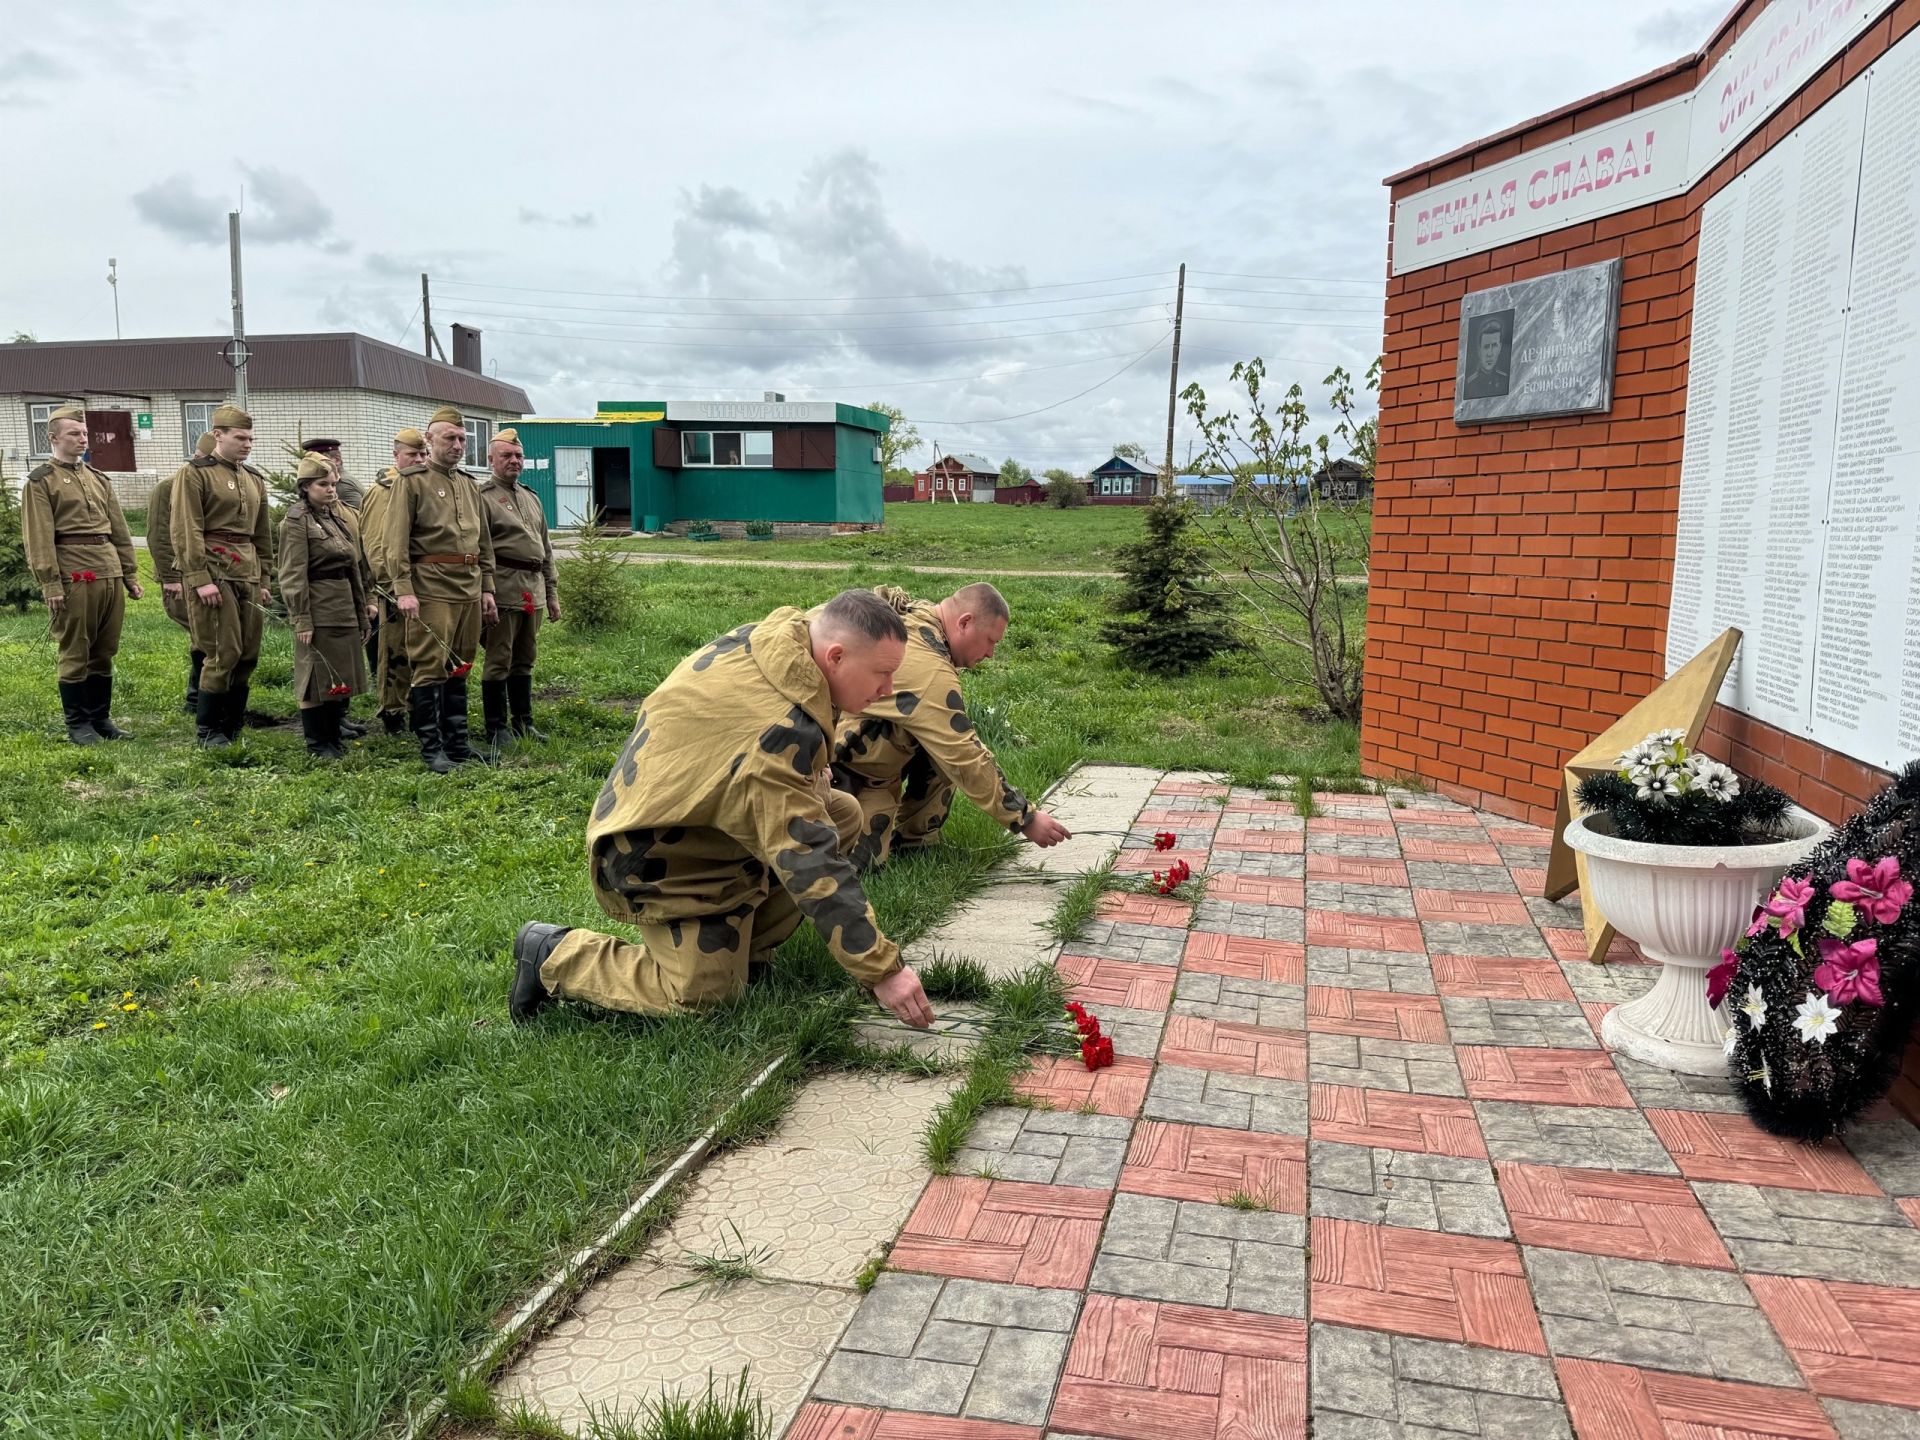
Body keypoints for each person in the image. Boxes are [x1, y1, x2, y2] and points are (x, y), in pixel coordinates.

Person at [508, 589, 935, 1030]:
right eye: (882, 674)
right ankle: (554, 953)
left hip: (700, 818)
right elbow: (812, 865)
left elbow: (844, 612)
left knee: (840, 813)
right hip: (654, 854)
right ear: (837, 657)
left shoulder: (789, 636)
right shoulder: (780, 737)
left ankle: (744, 952)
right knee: (704, 999)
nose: (888, 689)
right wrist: (885, 971)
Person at [832, 583, 1070, 866]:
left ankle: (916, 842)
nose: (991, 654)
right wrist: (1025, 818)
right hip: (844, 773)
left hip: (875, 760)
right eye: (990, 641)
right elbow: (965, 755)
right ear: (965, 623)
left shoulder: (923, 619)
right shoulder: (929, 670)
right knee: (863, 863)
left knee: (942, 741)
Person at [19, 403, 143, 744]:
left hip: (108, 570)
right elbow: (39, 537)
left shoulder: (98, 478)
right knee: (76, 648)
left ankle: (100, 718)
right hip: (73, 572)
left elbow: (118, 529)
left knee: (105, 648)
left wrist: (129, 574)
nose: (82, 439)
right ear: (53, 437)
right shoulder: (41, 481)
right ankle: (78, 725)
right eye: (74, 433)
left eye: (85, 433)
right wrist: (50, 582)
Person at [384, 406, 497, 772]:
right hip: (431, 587)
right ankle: (433, 749)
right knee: (430, 666)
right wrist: (403, 588)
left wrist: (487, 588)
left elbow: (484, 543)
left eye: (463, 439)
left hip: (468, 586)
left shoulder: (468, 484)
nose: (458, 445)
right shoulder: (412, 481)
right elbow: (395, 541)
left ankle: (458, 744)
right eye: (450, 438)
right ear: (429, 440)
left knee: (460, 666)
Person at [169, 404, 273, 747]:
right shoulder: (196, 473)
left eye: (250, 438)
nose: (247, 444)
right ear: (218, 435)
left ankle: (232, 723)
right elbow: (186, 528)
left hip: (248, 571)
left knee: (248, 653)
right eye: (240, 437)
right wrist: (199, 578)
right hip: (214, 569)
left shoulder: (253, 478)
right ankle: (209, 730)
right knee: (222, 651)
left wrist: (265, 579)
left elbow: (262, 535)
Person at [278, 454, 375, 759]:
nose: (331, 490)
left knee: (338, 673)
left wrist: (362, 612)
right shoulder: (296, 521)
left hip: (343, 604)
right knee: (314, 675)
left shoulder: (335, 518)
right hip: (317, 605)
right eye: (323, 484)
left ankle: (333, 736)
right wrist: (302, 618)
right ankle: (318, 743)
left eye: (333, 484)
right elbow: (293, 573)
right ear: (305, 487)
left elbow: (355, 568)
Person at [476, 428, 561, 747]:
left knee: (525, 657)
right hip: (504, 588)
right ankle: (496, 728)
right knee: (500, 657)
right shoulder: (482, 497)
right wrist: (486, 591)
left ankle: (523, 722)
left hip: (533, 588)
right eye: (506, 456)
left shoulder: (531, 496)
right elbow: (482, 549)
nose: (514, 461)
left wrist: (551, 594)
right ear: (491, 460)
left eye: (518, 456)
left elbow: (546, 548)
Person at [359, 427, 428, 734]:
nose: (419, 459)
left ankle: (417, 706)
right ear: (396, 455)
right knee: (395, 651)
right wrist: (390, 585)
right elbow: (376, 543)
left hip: (426, 585)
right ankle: (392, 711)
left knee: (420, 651)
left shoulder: (423, 485)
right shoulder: (383, 490)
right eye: (412, 454)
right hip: (396, 588)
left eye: (423, 453)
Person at [148, 430, 216, 715]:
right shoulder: (170, 486)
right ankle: (197, 698)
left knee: (210, 634)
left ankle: (205, 695)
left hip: (209, 572)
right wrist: (170, 578)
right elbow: (159, 535)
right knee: (203, 635)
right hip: (182, 576)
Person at [300, 438, 364, 510]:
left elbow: (356, 518)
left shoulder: (341, 484)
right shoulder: (345, 478)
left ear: (337, 460)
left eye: (320, 461)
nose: (315, 466)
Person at [1463, 313, 1512, 399]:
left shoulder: (1505, 380)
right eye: (1486, 347)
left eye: (1494, 346)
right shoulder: (1470, 384)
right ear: (1479, 349)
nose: (1490, 353)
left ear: (1500, 348)